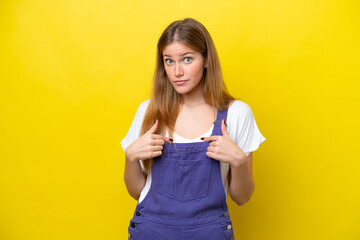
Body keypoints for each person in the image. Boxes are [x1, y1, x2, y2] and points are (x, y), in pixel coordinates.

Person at [121, 17, 266, 240]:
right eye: (169, 61)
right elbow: (137, 191)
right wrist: (130, 157)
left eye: (187, 59)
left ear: (206, 59)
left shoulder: (237, 113)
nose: (177, 71)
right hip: (151, 232)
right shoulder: (149, 111)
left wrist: (238, 161)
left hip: (209, 233)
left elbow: (242, 197)